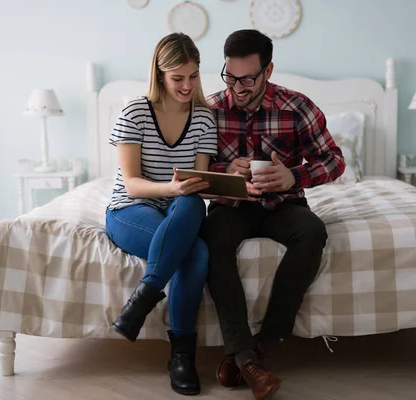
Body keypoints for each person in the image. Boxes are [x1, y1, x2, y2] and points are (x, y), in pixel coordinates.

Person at [200, 29, 346, 400]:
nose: (237, 87)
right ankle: (249, 357)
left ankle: (257, 348)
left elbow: (334, 160)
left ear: (268, 70)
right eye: (230, 77)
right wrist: (226, 171)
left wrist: (292, 175)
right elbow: (195, 167)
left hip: (284, 204)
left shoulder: (297, 107)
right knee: (211, 239)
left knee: (313, 232)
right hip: (232, 205)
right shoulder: (210, 109)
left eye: (247, 78)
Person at [105, 32, 217, 396]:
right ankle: (182, 354)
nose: (187, 85)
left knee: (190, 202)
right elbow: (133, 184)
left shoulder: (203, 118)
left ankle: (142, 301)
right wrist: (171, 188)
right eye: (178, 78)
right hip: (130, 209)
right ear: (160, 74)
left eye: (194, 76)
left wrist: (188, 189)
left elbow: (197, 183)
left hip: (177, 207)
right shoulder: (134, 111)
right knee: (195, 251)